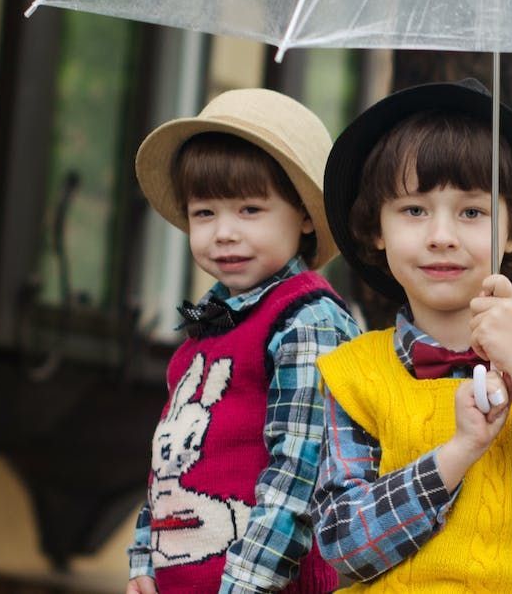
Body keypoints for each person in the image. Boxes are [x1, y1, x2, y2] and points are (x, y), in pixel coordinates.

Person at [309, 79, 512, 592]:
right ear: (376, 229)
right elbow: (345, 548)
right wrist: (457, 453)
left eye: (473, 212)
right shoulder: (353, 374)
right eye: (414, 210)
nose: (442, 235)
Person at [125, 89, 361, 594]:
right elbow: (168, 464)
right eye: (204, 213)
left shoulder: (306, 320)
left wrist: (245, 586)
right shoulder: (206, 330)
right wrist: (145, 560)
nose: (224, 233)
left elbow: (300, 474)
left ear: (302, 216)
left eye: (250, 209)